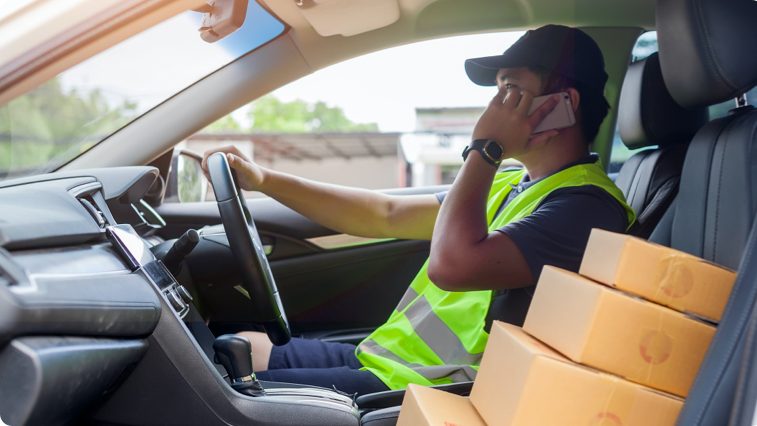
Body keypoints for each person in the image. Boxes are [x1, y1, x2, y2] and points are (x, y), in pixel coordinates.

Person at [202, 24, 635, 396]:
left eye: (512, 90)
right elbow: (384, 214)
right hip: (386, 359)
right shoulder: (509, 182)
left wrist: (485, 148)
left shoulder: (585, 206)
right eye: (498, 91)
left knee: (220, 389)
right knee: (234, 346)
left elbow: (451, 266)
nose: (494, 107)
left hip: (434, 387)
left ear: (565, 104)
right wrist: (263, 180)